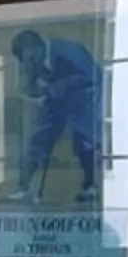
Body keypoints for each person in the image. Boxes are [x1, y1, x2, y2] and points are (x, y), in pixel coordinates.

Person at [13, 27, 104, 206]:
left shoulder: (71, 51)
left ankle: (89, 187)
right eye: (25, 61)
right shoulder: (33, 62)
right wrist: (31, 90)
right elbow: (31, 86)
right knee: (38, 139)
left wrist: (61, 86)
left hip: (85, 97)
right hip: (56, 100)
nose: (29, 64)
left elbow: (94, 75)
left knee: (84, 138)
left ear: (38, 48)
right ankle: (22, 189)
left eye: (30, 59)